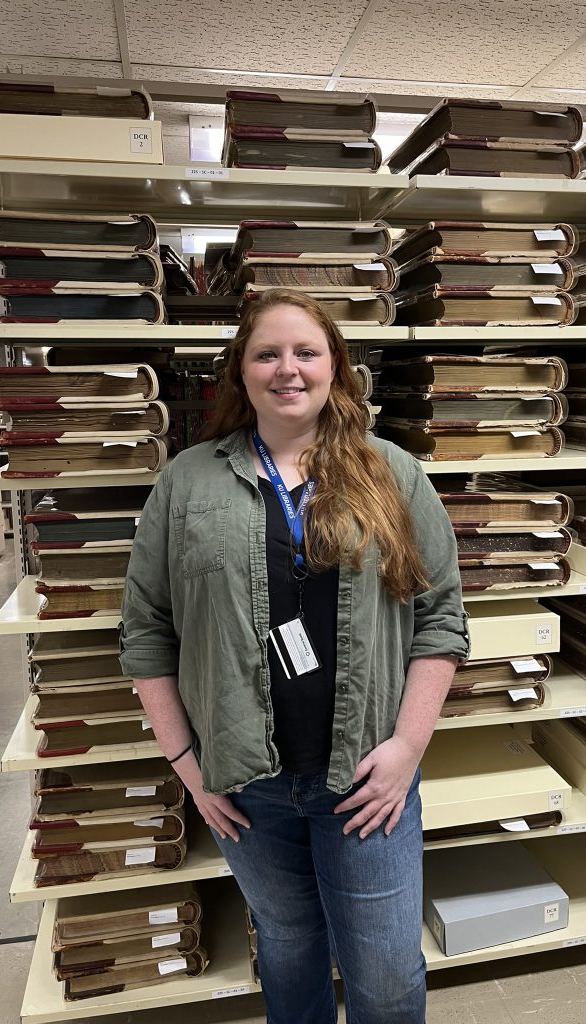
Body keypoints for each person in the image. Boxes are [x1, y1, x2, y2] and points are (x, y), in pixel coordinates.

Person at [119, 288, 470, 1024]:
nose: (289, 369)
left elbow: (440, 617)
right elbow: (147, 632)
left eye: (306, 352)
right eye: (267, 353)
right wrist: (188, 765)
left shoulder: (392, 473)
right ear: (240, 372)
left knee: (385, 975)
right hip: (248, 790)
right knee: (287, 950)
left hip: (366, 783)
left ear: (335, 366)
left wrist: (408, 746)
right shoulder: (187, 482)